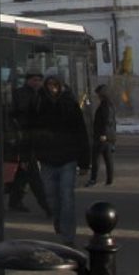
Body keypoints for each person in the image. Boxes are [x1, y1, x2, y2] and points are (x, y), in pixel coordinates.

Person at [35, 74, 90, 247]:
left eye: (55, 85)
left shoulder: (70, 104)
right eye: (49, 85)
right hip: (47, 158)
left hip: (68, 158)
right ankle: (58, 219)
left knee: (67, 197)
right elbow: (32, 131)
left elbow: (82, 134)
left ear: (60, 86)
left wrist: (84, 163)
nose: (52, 88)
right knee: (51, 196)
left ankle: (68, 237)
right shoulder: (39, 104)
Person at [7, 71, 51, 217]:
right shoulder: (21, 94)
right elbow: (17, 116)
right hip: (25, 139)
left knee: (24, 173)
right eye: (34, 80)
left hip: (33, 139)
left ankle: (14, 201)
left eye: (39, 80)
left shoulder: (41, 93)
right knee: (34, 177)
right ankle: (48, 207)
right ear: (27, 80)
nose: (37, 82)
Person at [86, 84, 116, 186]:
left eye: (98, 94)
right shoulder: (109, 104)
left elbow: (106, 121)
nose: (97, 96)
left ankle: (93, 179)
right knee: (108, 159)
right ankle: (109, 180)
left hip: (102, 136)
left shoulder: (105, 105)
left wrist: (103, 134)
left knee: (96, 158)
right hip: (108, 136)